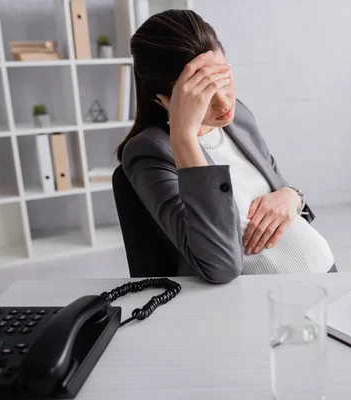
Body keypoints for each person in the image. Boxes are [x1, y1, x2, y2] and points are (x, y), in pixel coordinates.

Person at [117, 10, 336, 283]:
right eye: (204, 93)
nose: (224, 103)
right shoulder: (150, 152)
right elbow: (219, 265)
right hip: (264, 303)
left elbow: (281, 188)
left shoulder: (238, 117)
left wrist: (293, 196)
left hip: (328, 276)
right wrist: (184, 136)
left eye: (224, 80)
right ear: (163, 100)